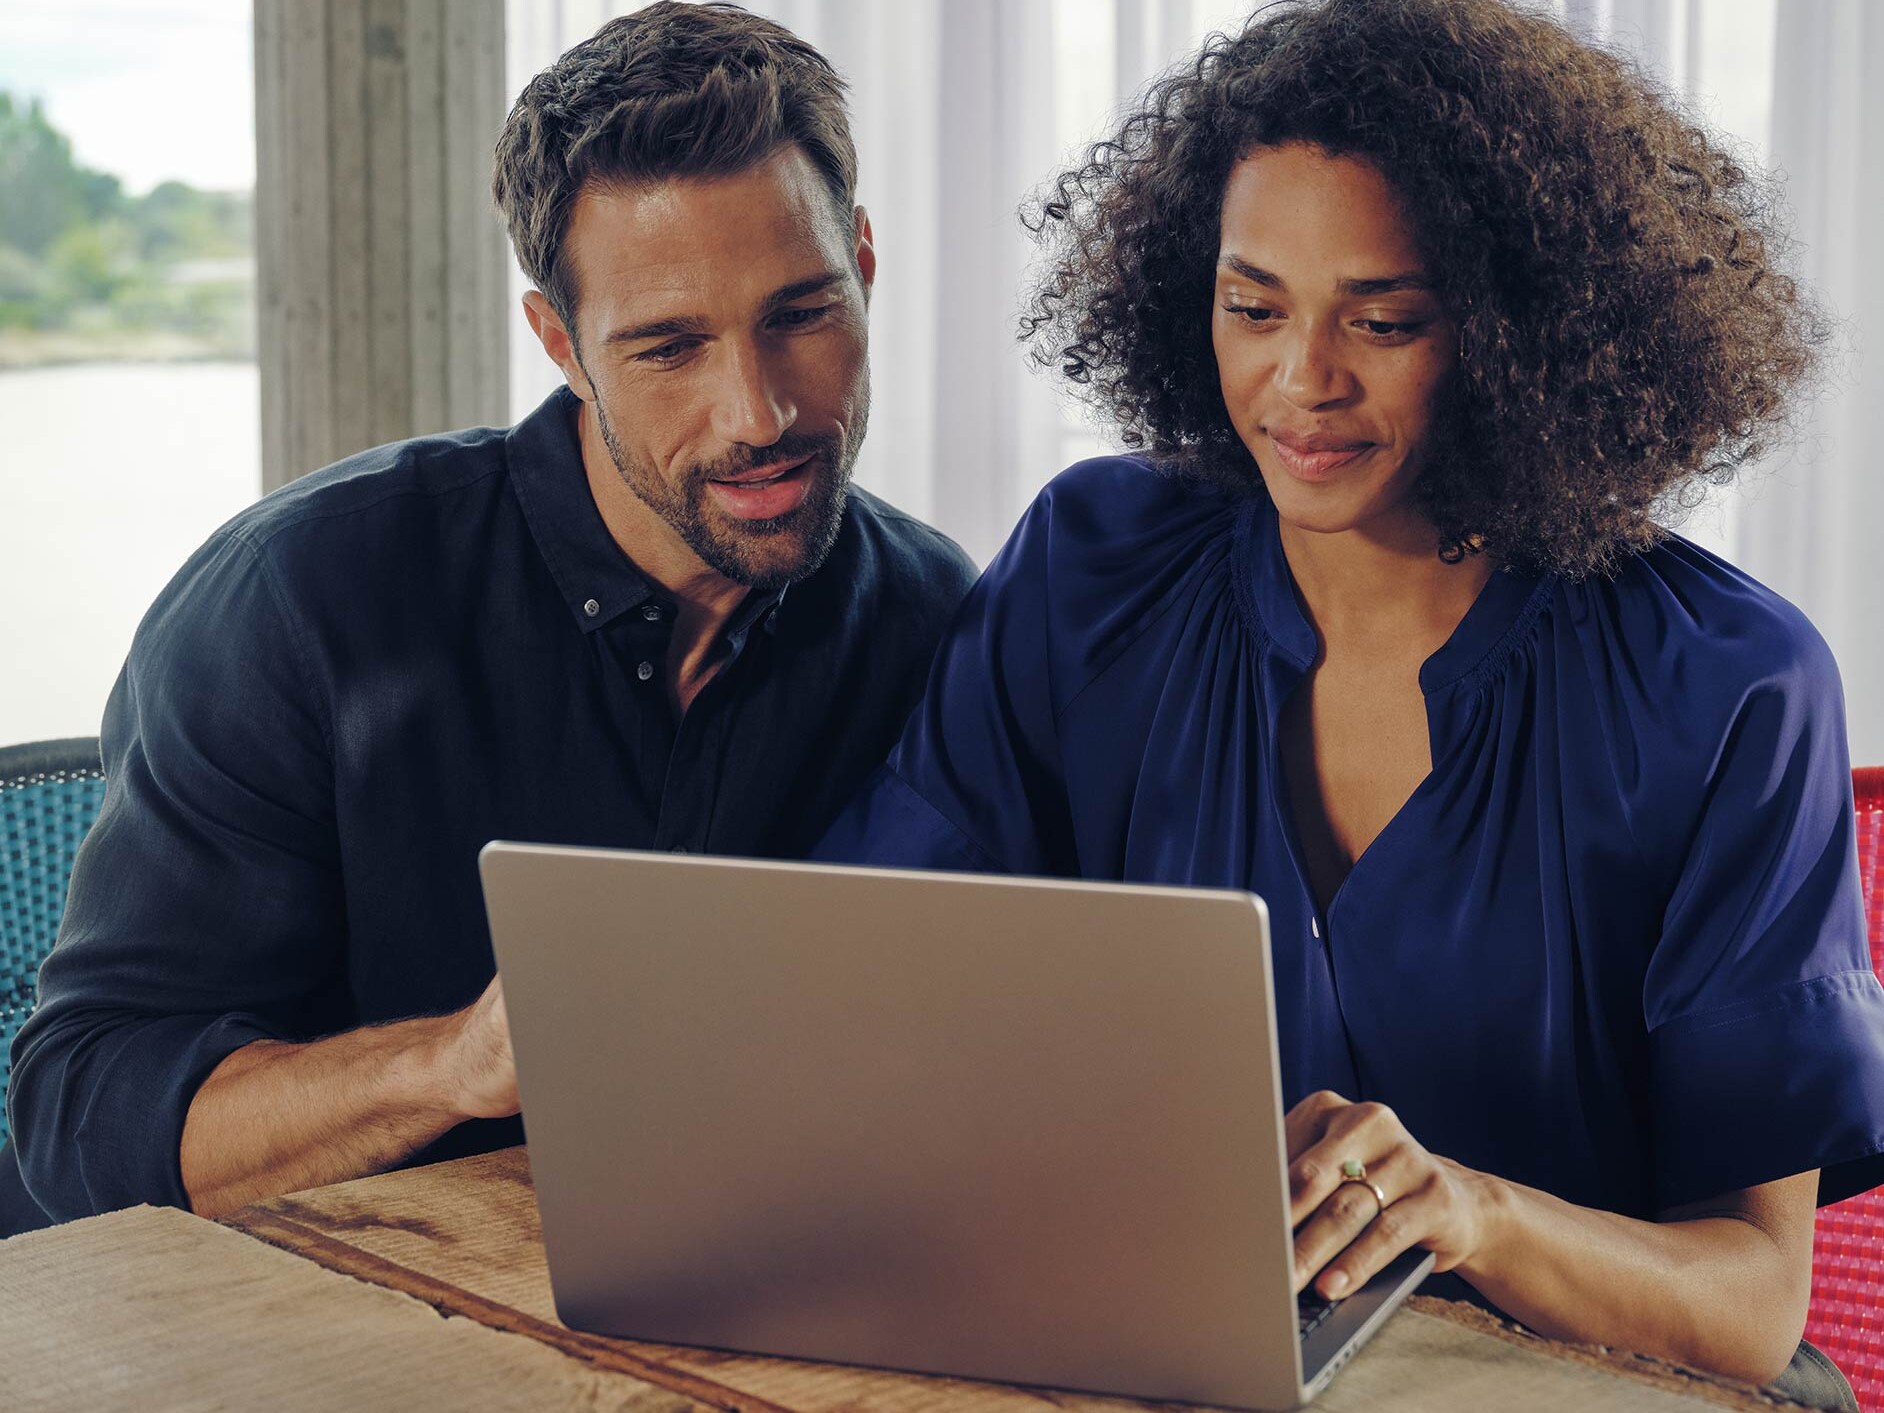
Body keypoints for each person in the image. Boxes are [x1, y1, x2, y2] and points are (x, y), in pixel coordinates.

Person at [816, 0, 1884, 1401]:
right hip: (1197, 1366)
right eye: (1251, 306)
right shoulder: (1094, 571)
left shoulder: (1729, 683)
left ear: (1517, 331)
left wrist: (1470, 1212)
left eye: (1383, 320)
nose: (1300, 382)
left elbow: (1750, 1300)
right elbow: (869, 982)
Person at [5, 2, 976, 1236]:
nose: (761, 413)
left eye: (801, 314)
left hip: (720, 1291)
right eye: (670, 347)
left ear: (867, 269)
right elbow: (81, 1116)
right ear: (560, 343)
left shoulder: (939, 619)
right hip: (292, 1322)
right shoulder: (298, 603)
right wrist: (454, 1065)